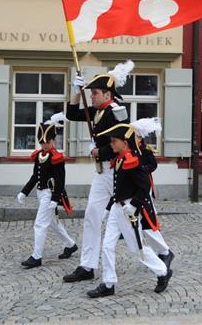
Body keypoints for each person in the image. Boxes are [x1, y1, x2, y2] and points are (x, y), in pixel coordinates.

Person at [61, 61, 133, 283]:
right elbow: (72, 113)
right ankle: (87, 265)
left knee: (133, 219)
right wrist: (76, 91)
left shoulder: (117, 112)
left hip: (118, 173)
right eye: (90, 93)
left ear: (107, 94)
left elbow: (123, 142)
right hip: (102, 175)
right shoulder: (98, 111)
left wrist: (96, 151)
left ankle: (161, 254)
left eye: (95, 93)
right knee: (92, 215)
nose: (91, 96)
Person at [86, 123, 172, 298]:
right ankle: (109, 283)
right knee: (107, 245)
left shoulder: (132, 160)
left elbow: (144, 186)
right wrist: (109, 209)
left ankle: (163, 272)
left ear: (125, 142)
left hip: (128, 212)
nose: (111, 144)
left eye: (114, 141)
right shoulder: (119, 159)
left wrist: (133, 205)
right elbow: (118, 189)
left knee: (137, 249)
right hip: (118, 209)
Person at [17, 122, 77, 268]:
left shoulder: (57, 157)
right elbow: (35, 177)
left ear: (53, 141)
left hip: (50, 195)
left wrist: (55, 199)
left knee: (40, 224)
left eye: (47, 142)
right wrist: (24, 192)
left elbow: (60, 181)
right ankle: (71, 245)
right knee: (53, 223)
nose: (44, 145)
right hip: (40, 193)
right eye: (42, 143)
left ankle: (36, 257)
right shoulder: (39, 156)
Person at [131, 117, 175, 268]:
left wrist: (143, 171)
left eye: (135, 136)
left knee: (146, 219)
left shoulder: (145, 150)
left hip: (143, 184)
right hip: (131, 190)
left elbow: (153, 164)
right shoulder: (131, 151)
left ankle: (163, 254)